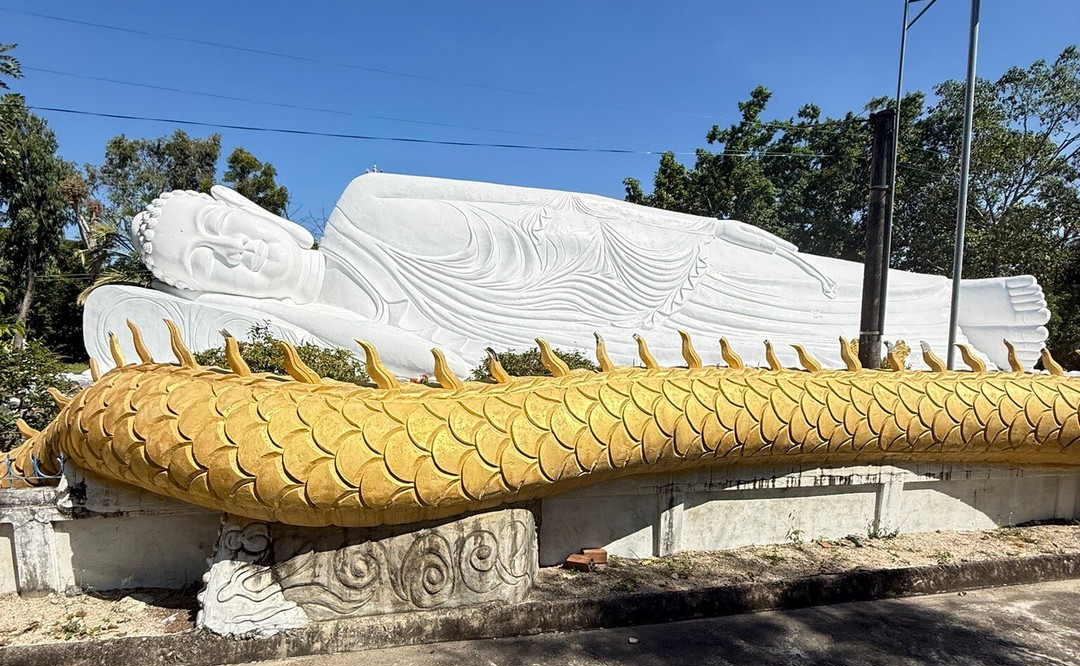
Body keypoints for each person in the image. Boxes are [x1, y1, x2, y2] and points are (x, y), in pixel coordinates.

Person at [85, 173, 1050, 376]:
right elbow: (451, 366)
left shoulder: (367, 203)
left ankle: (977, 314)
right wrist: (293, 309)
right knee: (796, 345)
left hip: (648, 261)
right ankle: (979, 340)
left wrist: (706, 224)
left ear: (250, 209)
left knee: (823, 290)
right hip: (618, 341)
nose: (231, 252)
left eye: (219, 227)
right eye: (200, 265)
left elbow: (565, 212)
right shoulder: (329, 342)